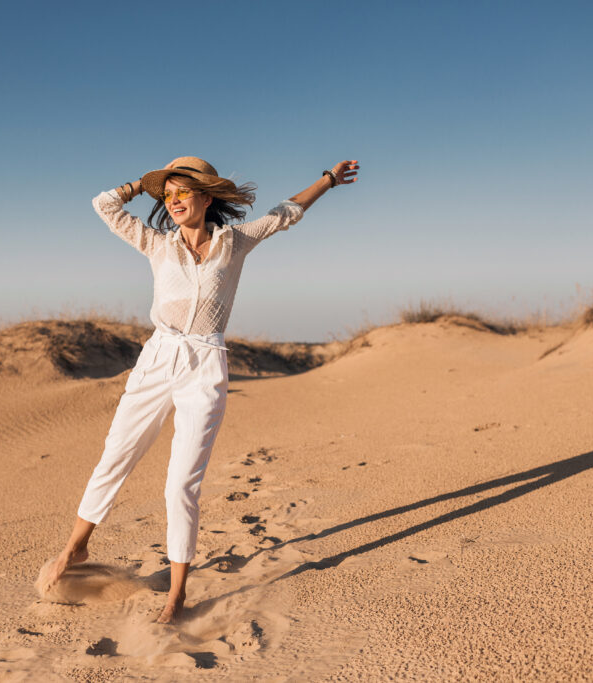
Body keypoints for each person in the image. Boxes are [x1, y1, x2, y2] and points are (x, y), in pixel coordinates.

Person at [37, 156, 360, 623]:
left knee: (181, 484)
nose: (173, 201)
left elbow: (286, 212)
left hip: (205, 365)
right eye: (166, 195)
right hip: (157, 360)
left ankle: (177, 594)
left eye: (182, 192)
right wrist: (140, 185)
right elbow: (103, 204)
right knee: (116, 456)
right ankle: (76, 548)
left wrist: (328, 181)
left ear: (207, 197)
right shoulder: (155, 244)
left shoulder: (235, 242)